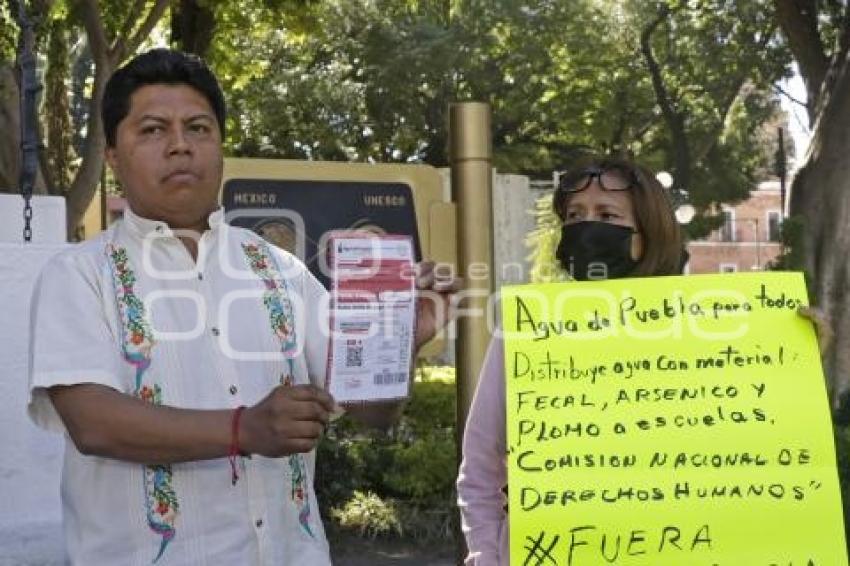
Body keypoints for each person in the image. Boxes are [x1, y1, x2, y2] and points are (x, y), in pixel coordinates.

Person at [28, 49, 455, 565]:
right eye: (153, 130)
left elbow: (372, 415)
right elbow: (93, 423)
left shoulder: (284, 272)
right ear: (114, 156)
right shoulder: (78, 275)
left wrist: (397, 345)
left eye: (199, 128)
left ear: (221, 146)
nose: (181, 146)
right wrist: (243, 430)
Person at [455, 156, 687, 566]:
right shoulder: (528, 328)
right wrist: (487, 556)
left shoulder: (701, 330)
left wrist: (796, 347)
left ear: (650, 233)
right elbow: (480, 470)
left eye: (607, 214)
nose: (586, 227)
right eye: (574, 215)